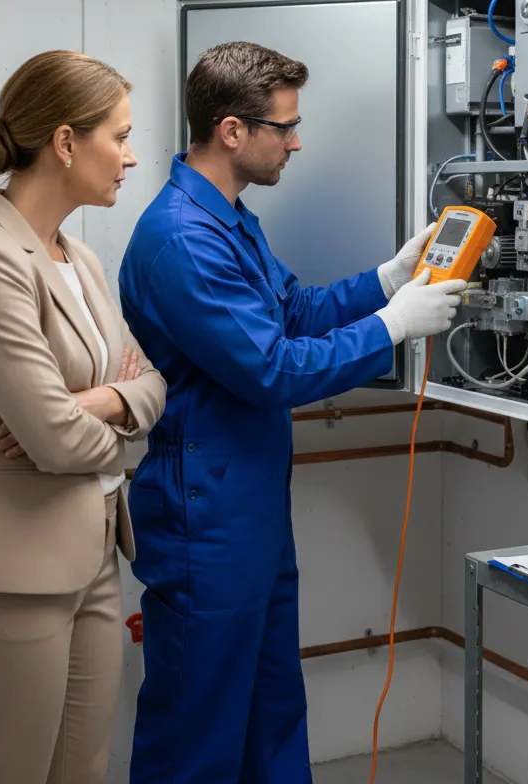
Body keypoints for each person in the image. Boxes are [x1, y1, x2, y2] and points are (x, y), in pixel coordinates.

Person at [118, 40, 465, 783]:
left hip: (249, 510)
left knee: (271, 712)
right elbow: (270, 368)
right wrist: (393, 327)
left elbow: (293, 312)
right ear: (232, 131)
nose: (297, 141)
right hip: (204, 515)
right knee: (197, 731)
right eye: (285, 127)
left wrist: (385, 281)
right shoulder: (182, 237)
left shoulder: (229, 218)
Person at [0, 50, 167, 784]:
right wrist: (110, 424)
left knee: (84, 773)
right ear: (66, 143)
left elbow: (153, 386)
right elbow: (55, 441)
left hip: (92, 556)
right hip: (10, 571)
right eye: (119, 137)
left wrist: (97, 402)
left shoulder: (81, 261)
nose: (130, 157)